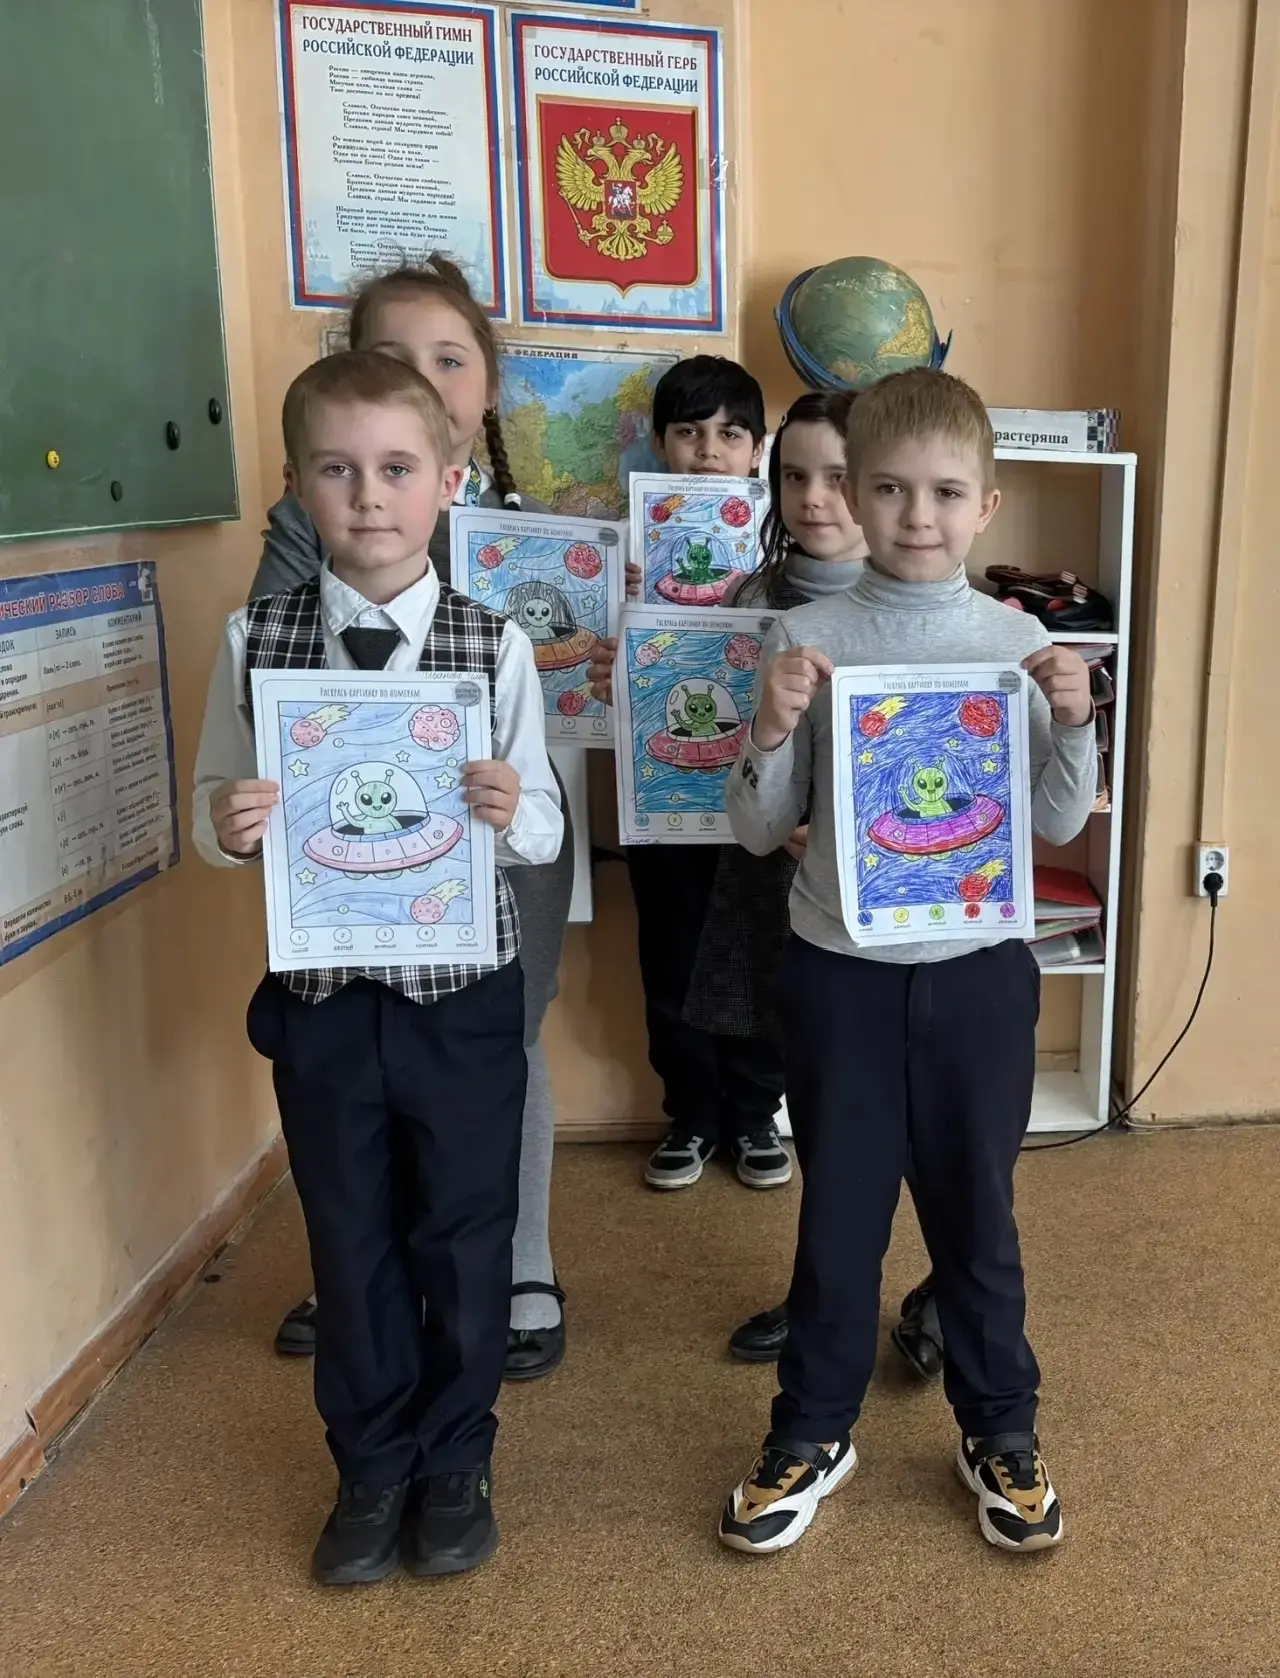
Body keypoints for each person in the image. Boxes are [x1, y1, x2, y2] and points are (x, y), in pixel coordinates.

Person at [194, 351, 563, 1584]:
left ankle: (455, 1457)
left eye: (397, 469)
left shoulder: (492, 644)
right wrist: (227, 822)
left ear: (447, 482)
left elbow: (544, 824)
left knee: (464, 1232)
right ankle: (369, 1465)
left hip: (461, 998)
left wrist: (510, 807)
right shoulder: (255, 638)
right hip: (323, 1000)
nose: (368, 496)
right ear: (296, 484)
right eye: (338, 470)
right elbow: (207, 803)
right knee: (348, 1234)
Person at [718, 369, 1095, 1557]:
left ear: (985, 505)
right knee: (837, 1212)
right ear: (849, 494)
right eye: (884, 489)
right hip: (838, 969)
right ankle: (810, 1428)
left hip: (977, 970)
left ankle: (999, 1426)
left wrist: (1075, 721)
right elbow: (754, 826)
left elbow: (1054, 820)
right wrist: (767, 726)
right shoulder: (803, 636)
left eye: (941, 492)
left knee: (976, 1213)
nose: (913, 515)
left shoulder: (1015, 640)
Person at [255, 256, 571, 1382]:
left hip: (497, 821)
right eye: (392, 357)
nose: (424, 378)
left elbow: (549, 681)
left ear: (484, 387)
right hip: (347, 865)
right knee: (363, 1061)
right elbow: (273, 688)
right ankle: (366, 1269)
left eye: (449, 359)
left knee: (500, 1035)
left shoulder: (526, 528)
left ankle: (514, 1260)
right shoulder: (314, 530)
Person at [605, 355, 794, 1192]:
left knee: (760, 952)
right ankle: (690, 1116)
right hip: (663, 786)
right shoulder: (622, 547)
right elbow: (588, 666)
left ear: (758, 449)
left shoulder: (786, 550)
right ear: (659, 444)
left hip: (761, 789)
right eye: (688, 432)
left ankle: (754, 1115)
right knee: (672, 953)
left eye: (730, 434)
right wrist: (619, 601)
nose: (709, 451)